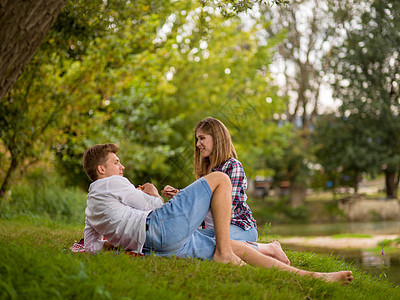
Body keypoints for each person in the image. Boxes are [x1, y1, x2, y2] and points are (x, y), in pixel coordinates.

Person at [82, 143, 353, 284]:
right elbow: (154, 208)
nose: (123, 166)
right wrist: (152, 192)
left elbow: (92, 245)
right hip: (159, 229)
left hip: (156, 245)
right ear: (102, 170)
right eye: (116, 162)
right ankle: (224, 255)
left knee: (233, 246)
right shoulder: (112, 182)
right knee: (220, 180)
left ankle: (316, 277)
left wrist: (115, 244)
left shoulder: (91, 206)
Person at [162, 117, 290, 264]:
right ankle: (265, 248)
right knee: (189, 238)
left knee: (219, 244)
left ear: (217, 138)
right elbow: (199, 201)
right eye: (197, 139)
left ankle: (269, 249)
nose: (198, 144)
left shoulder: (233, 166)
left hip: (238, 226)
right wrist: (178, 194)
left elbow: (225, 206)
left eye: (202, 138)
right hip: (213, 230)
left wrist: (187, 197)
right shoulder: (205, 171)